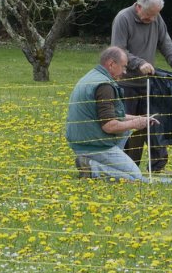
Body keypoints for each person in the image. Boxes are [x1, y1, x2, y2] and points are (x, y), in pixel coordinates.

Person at [111, 0, 172, 173]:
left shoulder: (156, 18)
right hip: (126, 85)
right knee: (128, 129)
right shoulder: (123, 19)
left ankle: (157, 169)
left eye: (156, 15)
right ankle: (127, 169)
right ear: (138, 7)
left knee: (155, 125)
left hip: (149, 84)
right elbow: (118, 51)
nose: (153, 19)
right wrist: (139, 63)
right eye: (149, 15)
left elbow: (166, 44)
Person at [65, 46, 159, 182]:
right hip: (93, 146)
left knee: (125, 129)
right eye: (124, 67)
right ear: (111, 64)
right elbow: (109, 126)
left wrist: (140, 118)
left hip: (83, 140)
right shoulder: (104, 86)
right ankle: (93, 167)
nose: (125, 72)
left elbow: (113, 116)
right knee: (136, 178)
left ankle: (96, 163)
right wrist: (135, 124)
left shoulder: (93, 76)